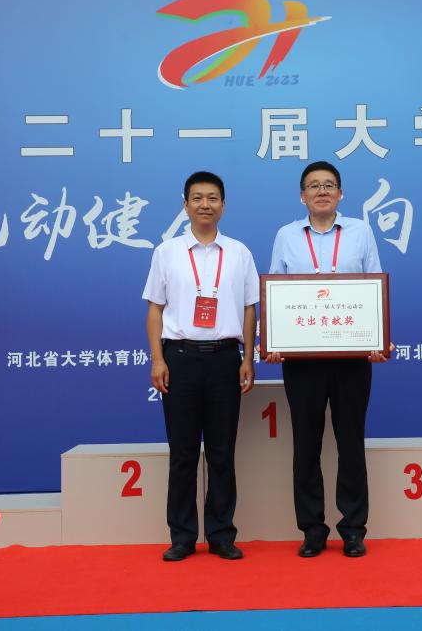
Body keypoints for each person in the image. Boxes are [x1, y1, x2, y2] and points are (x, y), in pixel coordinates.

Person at [266, 160, 391, 558]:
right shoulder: (286, 236)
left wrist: (378, 339)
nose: (322, 191)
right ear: (302, 196)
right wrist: (273, 341)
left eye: (329, 185)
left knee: (351, 442)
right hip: (302, 360)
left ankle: (353, 528)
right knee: (306, 444)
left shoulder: (360, 232)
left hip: (352, 357)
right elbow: (276, 291)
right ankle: (312, 528)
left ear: (340, 194)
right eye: (314, 186)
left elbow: (374, 285)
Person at [143, 171, 258, 562]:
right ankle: (182, 536)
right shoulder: (167, 252)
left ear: (223, 205)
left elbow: (249, 309)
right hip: (179, 358)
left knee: (222, 453)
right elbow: (155, 309)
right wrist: (157, 358)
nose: (204, 204)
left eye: (212, 198)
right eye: (197, 198)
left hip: (225, 359)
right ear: (185, 205)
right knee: (183, 453)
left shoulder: (239, 253)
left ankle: (222, 534)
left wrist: (247, 357)